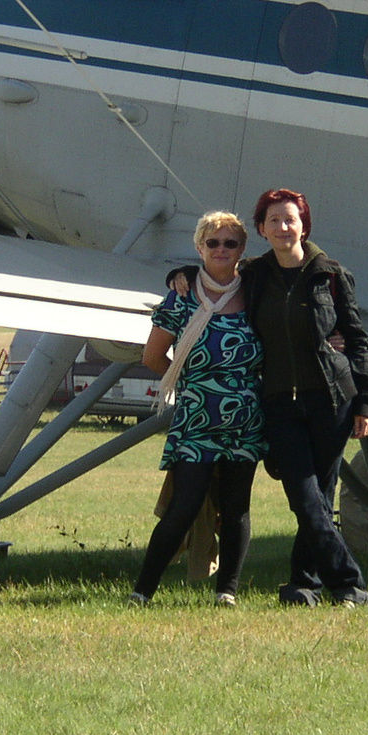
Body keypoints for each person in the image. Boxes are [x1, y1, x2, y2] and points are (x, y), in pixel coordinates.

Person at [243, 188, 368, 607]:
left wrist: (366, 402)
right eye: (274, 221)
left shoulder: (331, 274)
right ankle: (349, 582)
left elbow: (356, 340)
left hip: (331, 399)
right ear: (262, 230)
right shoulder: (253, 275)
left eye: (290, 219)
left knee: (320, 493)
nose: (284, 227)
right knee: (304, 495)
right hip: (279, 400)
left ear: (304, 225)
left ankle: (303, 585)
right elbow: (212, 276)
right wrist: (179, 275)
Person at [129, 211, 265, 605]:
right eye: (213, 243)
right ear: (199, 247)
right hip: (196, 418)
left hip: (245, 419)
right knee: (184, 504)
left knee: (237, 507)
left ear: (242, 249)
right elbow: (153, 356)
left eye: (231, 243)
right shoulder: (183, 295)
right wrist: (189, 380)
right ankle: (143, 591)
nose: (221, 250)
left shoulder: (255, 292)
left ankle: (227, 592)